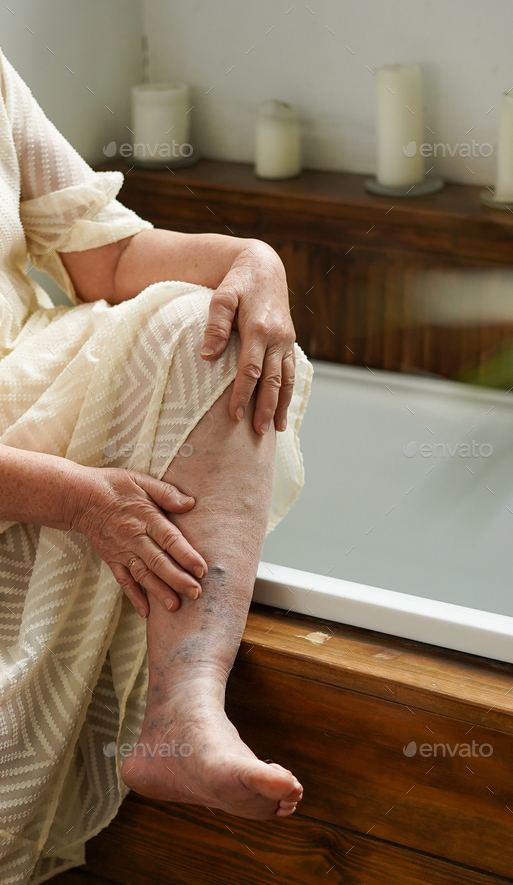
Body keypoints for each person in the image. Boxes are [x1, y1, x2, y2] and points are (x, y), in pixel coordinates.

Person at [0, 47, 312, 884]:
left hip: (25, 377)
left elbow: (103, 258)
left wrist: (254, 260)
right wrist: (78, 499)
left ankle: (183, 710)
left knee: (202, 326)